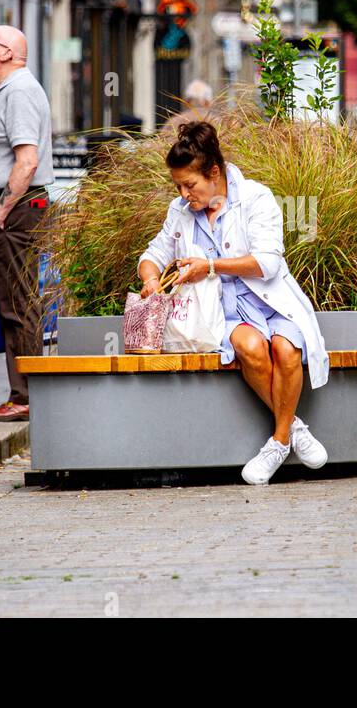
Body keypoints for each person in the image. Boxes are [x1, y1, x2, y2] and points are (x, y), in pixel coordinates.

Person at [137, 122, 331, 486]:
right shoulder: (180, 211)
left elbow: (267, 262)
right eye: (177, 185)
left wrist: (209, 266)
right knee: (250, 346)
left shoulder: (257, 198)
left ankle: (278, 440)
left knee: (287, 350)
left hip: (268, 299)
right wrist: (150, 279)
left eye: (189, 185)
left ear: (214, 172)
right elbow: (153, 253)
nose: (183, 193)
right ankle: (293, 431)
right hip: (220, 311)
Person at [0, 25, 54, 423]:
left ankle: (25, 395)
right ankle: (22, 392)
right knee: (13, 300)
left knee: (17, 302)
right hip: (17, 207)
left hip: (16, 209)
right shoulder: (11, 90)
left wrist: (1, 209)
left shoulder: (18, 91)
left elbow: (27, 160)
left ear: (4, 52)